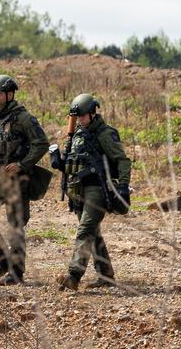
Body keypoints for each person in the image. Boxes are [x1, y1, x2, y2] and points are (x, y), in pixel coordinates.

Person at [0, 74, 50, 285]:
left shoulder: (23, 118)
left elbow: (41, 143)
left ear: (9, 94)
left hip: (16, 180)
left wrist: (22, 164)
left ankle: (16, 272)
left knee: (15, 225)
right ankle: (3, 260)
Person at [54, 93, 131, 290]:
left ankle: (73, 276)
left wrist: (122, 186)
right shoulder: (78, 134)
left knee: (85, 231)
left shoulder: (104, 134)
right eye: (77, 117)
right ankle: (106, 275)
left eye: (82, 116)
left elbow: (122, 160)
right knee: (93, 233)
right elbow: (73, 162)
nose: (79, 120)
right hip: (78, 189)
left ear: (92, 114)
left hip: (97, 188)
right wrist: (60, 163)